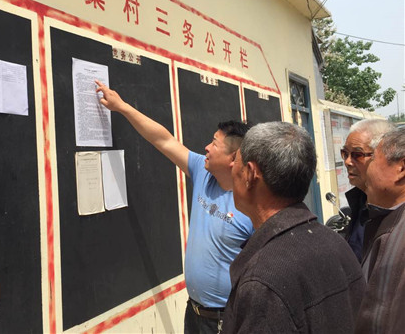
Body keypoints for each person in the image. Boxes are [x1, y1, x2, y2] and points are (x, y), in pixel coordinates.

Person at [94, 81, 253, 334]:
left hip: (227, 320)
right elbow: (163, 139)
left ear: (233, 158)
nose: (206, 147)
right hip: (195, 314)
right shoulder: (203, 172)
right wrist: (122, 107)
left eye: (214, 143)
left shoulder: (252, 204)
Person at [224, 122, 365, 333]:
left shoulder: (263, 280)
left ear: (250, 173)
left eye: (235, 160)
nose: (230, 167)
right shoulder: (335, 242)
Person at [355, 127, 405, 334]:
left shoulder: (398, 235)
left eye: (373, 159)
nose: (367, 169)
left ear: (401, 168)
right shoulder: (389, 220)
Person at [341, 119, 394, 261]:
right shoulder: (360, 202)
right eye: (345, 153)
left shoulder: (393, 208)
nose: (347, 162)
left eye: (357, 155)